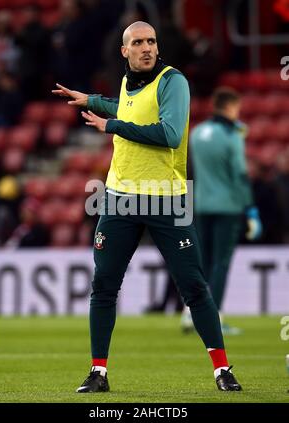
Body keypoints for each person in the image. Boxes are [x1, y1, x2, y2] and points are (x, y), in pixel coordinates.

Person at [52, 21, 242, 393]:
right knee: (104, 285)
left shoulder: (174, 82)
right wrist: (90, 100)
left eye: (151, 41)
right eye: (137, 42)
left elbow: (169, 134)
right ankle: (98, 372)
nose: (146, 47)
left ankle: (222, 369)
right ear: (125, 51)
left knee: (194, 287)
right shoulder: (127, 84)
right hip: (120, 198)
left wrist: (112, 127)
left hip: (167, 198)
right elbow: (125, 109)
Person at [181, 88, 262, 335]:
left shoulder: (197, 133)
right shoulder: (232, 135)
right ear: (229, 108)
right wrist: (250, 209)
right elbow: (239, 173)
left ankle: (189, 313)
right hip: (228, 206)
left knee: (201, 262)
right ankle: (213, 317)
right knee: (221, 263)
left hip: (202, 204)